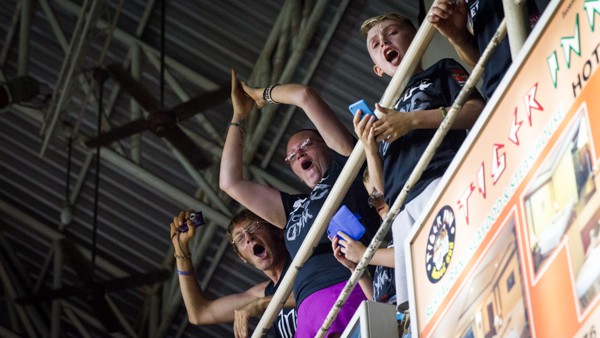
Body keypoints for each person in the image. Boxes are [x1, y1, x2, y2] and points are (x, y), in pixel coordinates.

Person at [220, 69, 382, 337]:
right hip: (307, 313)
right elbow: (230, 183)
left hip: (347, 289)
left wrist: (261, 96)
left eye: (306, 145)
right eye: (292, 157)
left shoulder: (346, 166)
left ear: (326, 144)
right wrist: (239, 117)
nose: (299, 154)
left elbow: (304, 95)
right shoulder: (293, 208)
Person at [359, 13, 485, 318]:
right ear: (378, 68)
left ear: (415, 40)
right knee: (421, 311)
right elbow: (381, 190)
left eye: (391, 33)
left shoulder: (440, 71)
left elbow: (476, 109)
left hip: (440, 182)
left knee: (468, 274)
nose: (384, 42)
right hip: (402, 211)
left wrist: (411, 120)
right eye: (376, 43)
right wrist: (370, 149)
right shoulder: (381, 113)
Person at [170, 209, 297, 338]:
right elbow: (199, 313)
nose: (248, 237)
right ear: (242, 257)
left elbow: (311, 289)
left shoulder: (305, 261)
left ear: (277, 231)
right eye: (240, 238)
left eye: (254, 227)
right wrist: (181, 249)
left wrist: (263, 304)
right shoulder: (264, 292)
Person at [428, 0, 541, 99]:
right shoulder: (466, 3)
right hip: (499, 91)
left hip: (537, 63)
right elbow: (482, 60)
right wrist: (458, 37)